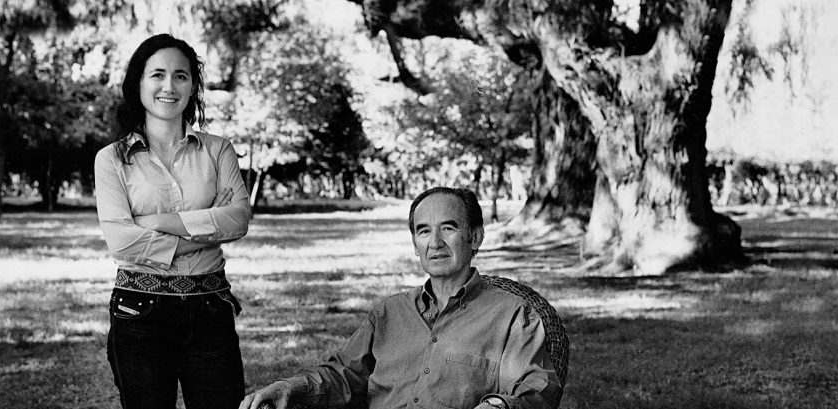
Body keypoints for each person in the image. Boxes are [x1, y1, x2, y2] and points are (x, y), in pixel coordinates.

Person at [240, 187, 561, 409]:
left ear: (475, 237)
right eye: (423, 231)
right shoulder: (388, 314)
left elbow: (536, 387)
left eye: (448, 228)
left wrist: (498, 405)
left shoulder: (512, 315)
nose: (435, 243)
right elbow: (343, 375)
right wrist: (290, 388)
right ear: (415, 243)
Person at [94, 33, 251, 409]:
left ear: (193, 85)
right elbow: (121, 241)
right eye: (158, 75)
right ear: (138, 83)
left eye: (181, 76)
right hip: (139, 310)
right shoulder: (112, 159)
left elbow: (239, 218)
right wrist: (206, 228)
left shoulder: (218, 149)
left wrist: (158, 221)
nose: (169, 85)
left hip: (210, 308)